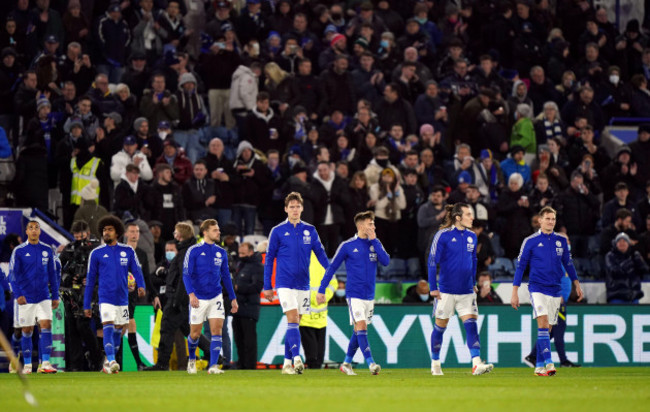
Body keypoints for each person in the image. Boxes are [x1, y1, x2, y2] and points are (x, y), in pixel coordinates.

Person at [511, 207, 584, 376]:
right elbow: (521, 267)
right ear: (540, 220)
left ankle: (538, 366)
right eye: (548, 218)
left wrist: (577, 284)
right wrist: (515, 291)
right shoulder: (530, 241)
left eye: (553, 219)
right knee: (543, 323)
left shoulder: (561, 241)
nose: (551, 221)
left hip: (555, 290)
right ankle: (550, 362)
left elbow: (568, 264)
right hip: (537, 288)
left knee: (548, 328)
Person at [263, 192, 330, 375]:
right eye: (291, 206)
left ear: (302, 208)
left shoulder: (310, 230)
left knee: (295, 324)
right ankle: (297, 358)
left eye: (297, 206)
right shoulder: (277, 231)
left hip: (303, 284)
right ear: (286, 209)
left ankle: (286, 364)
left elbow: (321, 254)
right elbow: (269, 259)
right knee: (292, 319)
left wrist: (330, 270)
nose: (294, 209)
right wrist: (267, 285)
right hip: (284, 283)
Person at [317, 211, 388, 375]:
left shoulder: (375, 243)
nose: (374, 227)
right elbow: (331, 268)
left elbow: (385, 261)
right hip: (354, 294)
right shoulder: (347, 245)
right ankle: (371, 363)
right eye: (371, 224)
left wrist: (375, 241)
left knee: (359, 330)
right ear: (361, 225)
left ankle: (346, 363)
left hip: (370, 295)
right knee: (361, 326)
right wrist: (322, 290)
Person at [428, 203, 494, 376]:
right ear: (458, 217)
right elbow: (432, 260)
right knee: (440, 328)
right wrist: (433, 287)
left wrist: (473, 283)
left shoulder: (472, 236)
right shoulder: (443, 235)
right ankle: (435, 362)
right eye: (468, 214)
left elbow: (473, 262)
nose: (472, 217)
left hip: (466, 290)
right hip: (446, 291)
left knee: (471, 326)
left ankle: (476, 363)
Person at [84, 215, 146, 375]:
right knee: (108, 327)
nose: (106, 232)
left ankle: (107, 363)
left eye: (110, 230)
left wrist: (141, 286)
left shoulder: (127, 251)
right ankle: (111, 359)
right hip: (105, 298)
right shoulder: (96, 253)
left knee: (120, 330)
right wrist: (86, 304)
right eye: (104, 230)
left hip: (122, 299)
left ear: (117, 232)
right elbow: (90, 281)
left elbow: (137, 270)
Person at [184, 219, 239, 375]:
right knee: (195, 334)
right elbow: (186, 274)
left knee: (217, 331)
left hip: (216, 297)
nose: (219, 232)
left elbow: (226, 277)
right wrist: (191, 295)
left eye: (218, 230)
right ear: (205, 232)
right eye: (215, 230)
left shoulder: (221, 252)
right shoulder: (193, 250)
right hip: (198, 298)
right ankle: (192, 360)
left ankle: (213, 366)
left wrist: (233, 298)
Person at [9, 220, 60, 374]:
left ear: (39, 231)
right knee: (25, 330)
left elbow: (52, 274)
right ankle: (26, 364)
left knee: (46, 325)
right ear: (26, 232)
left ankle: (45, 363)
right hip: (25, 297)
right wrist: (18, 294)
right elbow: (13, 275)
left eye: (36, 228)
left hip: (44, 296)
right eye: (31, 228)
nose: (34, 230)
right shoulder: (19, 251)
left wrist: (55, 295)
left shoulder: (47, 250)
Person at [232, 242, 264, 370]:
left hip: (249, 307)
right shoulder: (240, 265)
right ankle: (241, 364)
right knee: (238, 338)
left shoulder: (258, 267)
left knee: (249, 340)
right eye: (240, 253)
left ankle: (250, 366)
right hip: (238, 308)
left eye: (243, 254)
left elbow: (257, 287)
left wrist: (238, 288)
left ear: (251, 252)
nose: (241, 256)